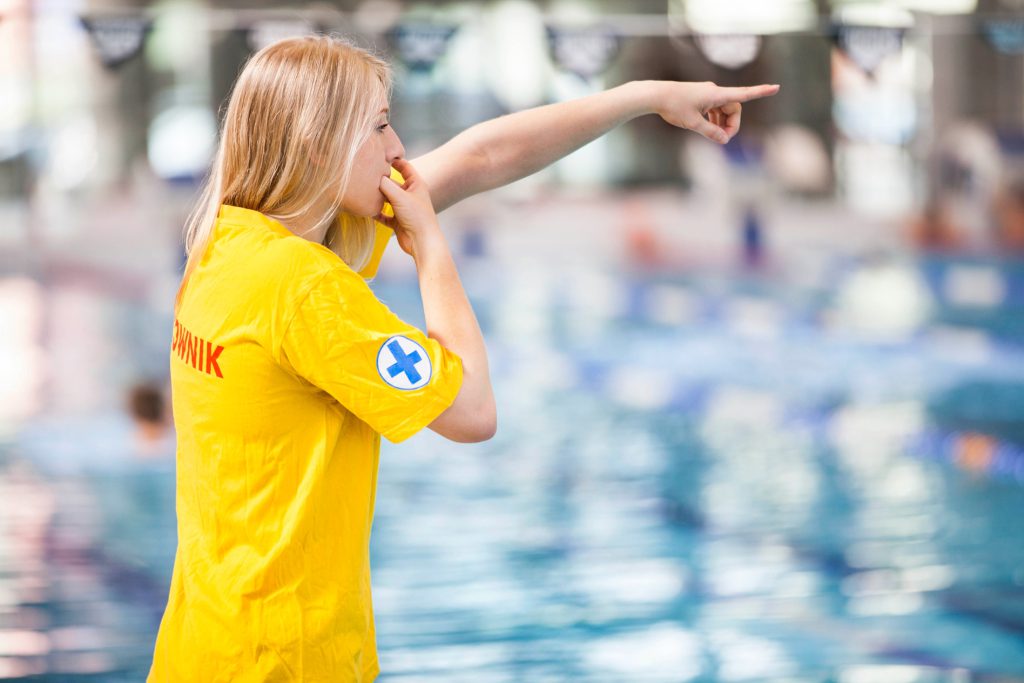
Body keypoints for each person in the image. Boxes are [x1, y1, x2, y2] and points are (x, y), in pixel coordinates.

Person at [148, 34, 779, 682]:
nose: (397, 150)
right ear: (317, 143)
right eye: (381, 126)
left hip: (202, 647)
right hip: (285, 661)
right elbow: (473, 409)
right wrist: (429, 245)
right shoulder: (304, 286)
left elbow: (478, 157)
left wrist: (643, 98)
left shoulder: (226, 242)